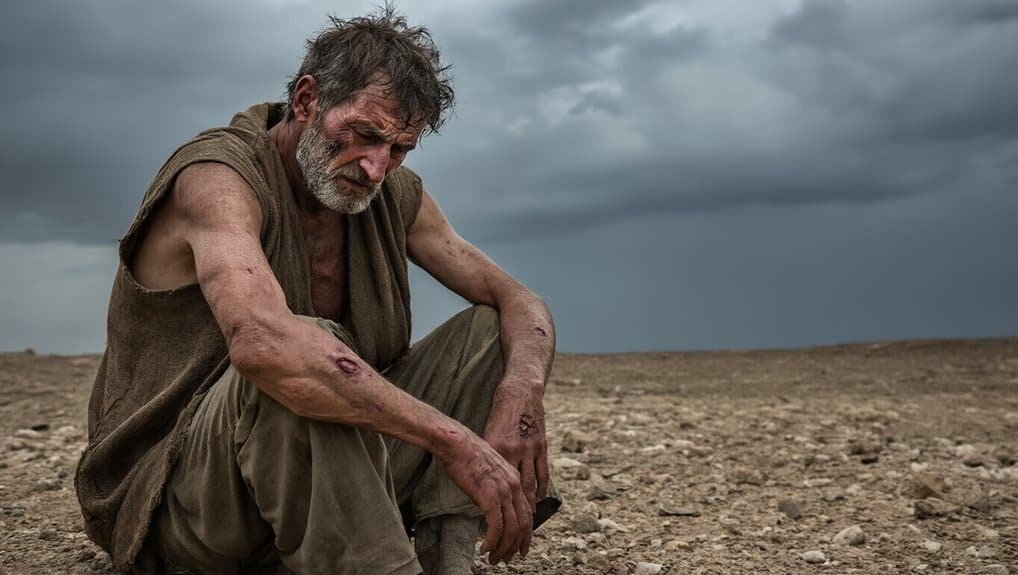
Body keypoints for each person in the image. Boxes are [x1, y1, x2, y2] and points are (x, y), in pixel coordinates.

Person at [74, 7, 559, 575]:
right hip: (183, 502)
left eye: (399, 149)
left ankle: (445, 558)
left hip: (326, 491)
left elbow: (519, 300)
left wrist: (521, 397)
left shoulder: (388, 192)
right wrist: (455, 440)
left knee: (488, 331)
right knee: (298, 356)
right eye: (365, 135)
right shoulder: (218, 178)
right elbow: (264, 345)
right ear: (307, 101)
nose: (376, 168)